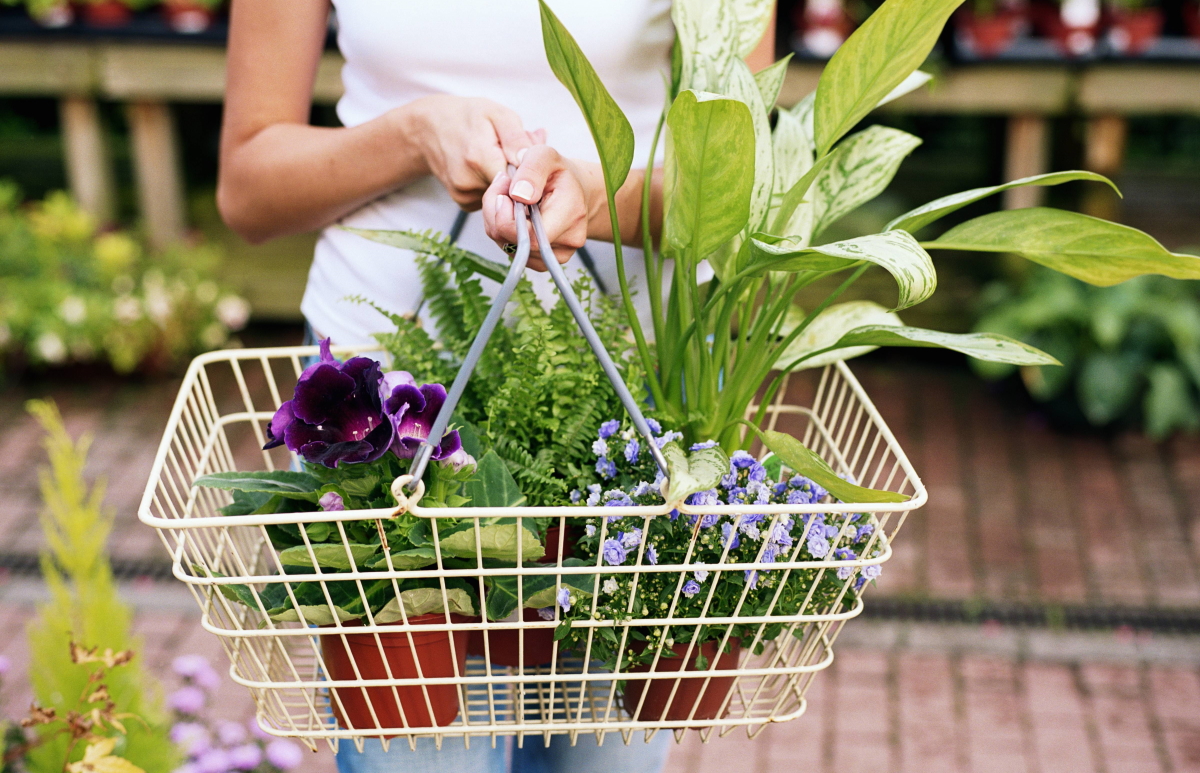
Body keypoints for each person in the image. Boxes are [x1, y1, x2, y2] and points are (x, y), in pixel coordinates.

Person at [217, 1, 775, 770]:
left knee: (599, 753)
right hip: (377, 404)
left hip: (619, 401)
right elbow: (248, 189)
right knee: (413, 746)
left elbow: (745, 187)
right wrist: (416, 133)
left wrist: (589, 188)